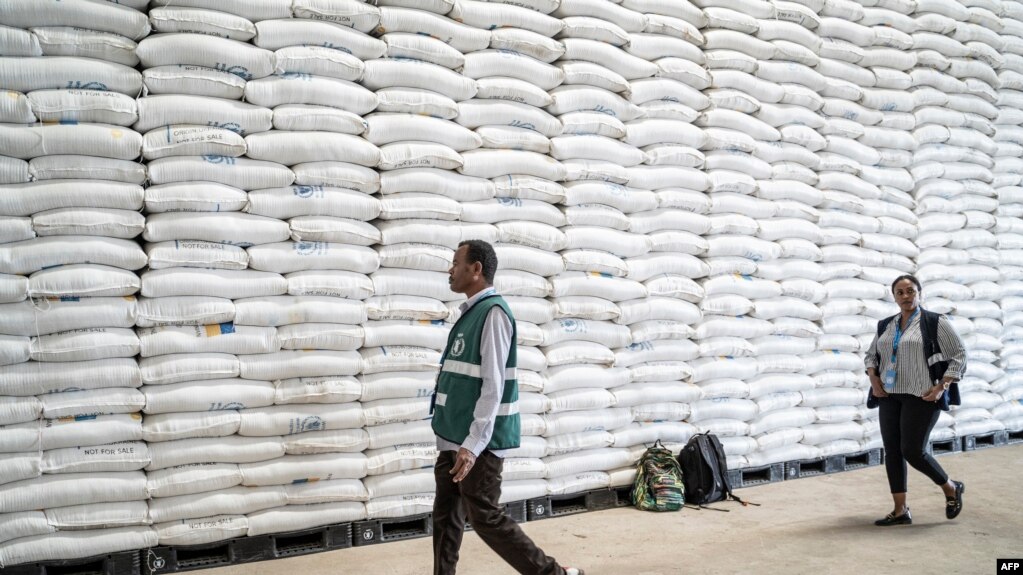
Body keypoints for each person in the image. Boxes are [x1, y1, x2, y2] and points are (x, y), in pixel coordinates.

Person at [431, 239, 583, 575]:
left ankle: (552, 573)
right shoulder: (470, 313)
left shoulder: (493, 315)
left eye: (456, 263)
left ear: (476, 269)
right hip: (452, 437)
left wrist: (471, 446)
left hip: (479, 443)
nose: (450, 270)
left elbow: (493, 386)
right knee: (446, 517)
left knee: (484, 517)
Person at [865, 274, 968, 526]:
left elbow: (960, 355)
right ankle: (900, 510)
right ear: (894, 297)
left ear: (919, 293)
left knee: (912, 450)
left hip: (922, 395)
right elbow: (871, 356)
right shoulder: (886, 325)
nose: (905, 296)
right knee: (892, 452)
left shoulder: (935, 322)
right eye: (899, 292)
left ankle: (951, 488)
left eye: (910, 291)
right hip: (889, 395)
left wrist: (942, 386)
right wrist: (874, 379)